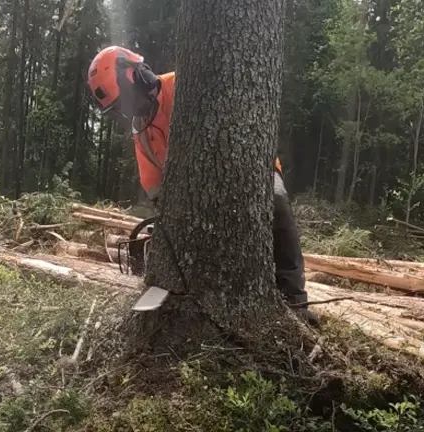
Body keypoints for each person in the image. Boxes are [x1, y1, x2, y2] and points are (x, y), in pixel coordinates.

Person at [87, 46, 319, 326]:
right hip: (196, 191)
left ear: (139, 75)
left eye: (127, 100)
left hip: (248, 165)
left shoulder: (184, 85)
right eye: (120, 107)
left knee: (275, 198)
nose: (129, 110)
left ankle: (295, 300)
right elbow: (154, 184)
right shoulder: (142, 131)